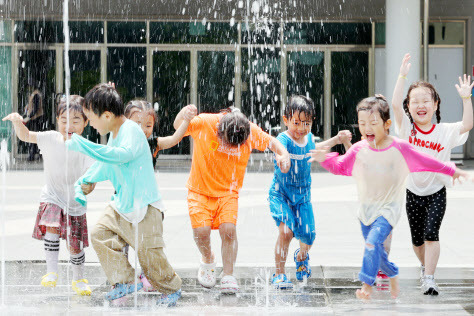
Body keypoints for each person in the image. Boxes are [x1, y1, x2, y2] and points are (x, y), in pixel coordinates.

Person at [309, 95, 469, 300]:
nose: (367, 129)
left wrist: (451, 170)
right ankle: (392, 272)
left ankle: (366, 284)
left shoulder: (399, 147)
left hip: (388, 210)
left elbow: (426, 160)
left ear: (387, 125)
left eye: (373, 123)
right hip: (366, 211)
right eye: (362, 123)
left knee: (371, 243)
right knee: (377, 249)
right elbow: (341, 167)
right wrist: (324, 160)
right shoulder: (359, 148)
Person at [65, 83, 187, 307]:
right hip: (122, 204)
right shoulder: (115, 133)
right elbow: (108, 164)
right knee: (100, 234)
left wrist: (83, 145)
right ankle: (124, 280)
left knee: (150, 255)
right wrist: (88, 179)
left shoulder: (131, 130)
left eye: (91, 118)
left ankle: (171, 287)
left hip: (146, 205)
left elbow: (122, 155)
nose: (89, 123)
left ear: (108, 115)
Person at [173, 105, 290, 294]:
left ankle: (228, 275)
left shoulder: (249, 130)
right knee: (201, 232)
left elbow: (272, 142)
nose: (230, 148)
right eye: (227, 142)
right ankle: (208, 259)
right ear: (219, 130)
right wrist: (183, 115)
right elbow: (178, 125)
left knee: (228, 230)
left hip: (228, 192)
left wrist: (283, 154)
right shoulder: (206, 122)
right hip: (199, 190)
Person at [391, 53, 473, 295]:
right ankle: (424, 266)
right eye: (414, 101)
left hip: (437, 191)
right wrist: (402, 75)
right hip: (412, 191)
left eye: (426, 100)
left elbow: (467, 124)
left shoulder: (445, 131)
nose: (420, 105)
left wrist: (467, 98)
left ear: (435, 104)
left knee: (431, 233)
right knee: (417, 241)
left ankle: (429, 278)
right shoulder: (406, 129)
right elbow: (395, 104)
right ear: (409, 107)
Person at [3, 95, 95, 296]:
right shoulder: (50, 138)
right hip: (52, 196)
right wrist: (18, 122)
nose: (68, 125)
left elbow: (92, 176)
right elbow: (26, 136)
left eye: (76, 121)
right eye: (64, 120)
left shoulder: (86, 147)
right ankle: (51, 272)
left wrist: (89, 186)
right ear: (57, 121)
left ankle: (79, 279)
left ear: (86, 122)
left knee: (75, 245)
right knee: (52, 227)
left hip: (75, 203)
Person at [269, 95, 352, 289]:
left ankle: (301, 256)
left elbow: (317, 147)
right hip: (281, 194)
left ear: (312, 122)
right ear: (286, 120)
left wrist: (337, 139)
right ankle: (279, 274)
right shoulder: (283, 139)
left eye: (306, 123)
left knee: (308, 234)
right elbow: (279, 152)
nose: (300, 128)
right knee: (286, 231)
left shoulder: (307, 139)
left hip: (303, 196)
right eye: (296, 123)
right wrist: (283, 161)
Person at [123, 99, 197, 291]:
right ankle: (123, 276)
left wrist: (186, 121)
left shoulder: (151, 144)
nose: (143, 129)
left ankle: (147, 273)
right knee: (122, 240)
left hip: (147, 201)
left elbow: (174, 139)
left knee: (147, 243)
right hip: (124, 200)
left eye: (148, 125)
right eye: (137, 124)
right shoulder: (120, 140)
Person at [23, 88, 44, 161]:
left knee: (34, 138)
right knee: (36, 138)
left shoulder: (36, 94)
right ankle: (37, 155)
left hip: (36, 119)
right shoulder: (35, 94)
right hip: (36, 119)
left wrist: (29, 117)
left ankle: (33, 155)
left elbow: (36, 108)